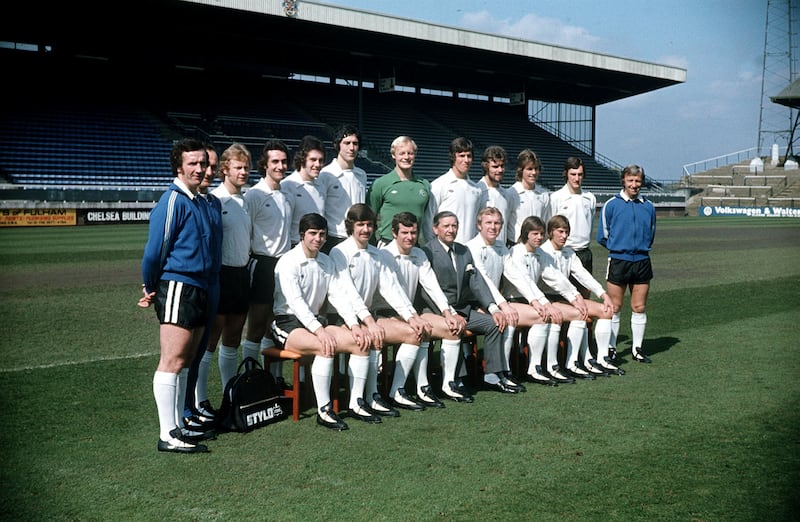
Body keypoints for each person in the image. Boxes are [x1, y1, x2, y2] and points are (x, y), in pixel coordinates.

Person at [139, 138, 214, 453]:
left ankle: (179, 426)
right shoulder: (173, 200)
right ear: (179, 167)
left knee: (185, 360)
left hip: (199, 287)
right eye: (192, 164)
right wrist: (150, 284)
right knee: (171, 360)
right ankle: (167, 434)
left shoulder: (197, 200)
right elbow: (154, 251)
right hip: (178, 286)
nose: (199, 169)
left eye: (202, 163)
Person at [271, 213, 375, 431]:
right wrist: (320, 331)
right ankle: (324, 410)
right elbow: (296, 303)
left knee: (361, 342)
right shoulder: (287, 262)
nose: (317, 239)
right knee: (324, 346)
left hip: (316, 322)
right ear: (302, 235)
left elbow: (338, 295)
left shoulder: (326, 261)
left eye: (322, 234)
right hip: (287, 322)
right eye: (312, 234)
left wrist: (355, 326)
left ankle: (356, 403)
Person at [329, 204, 431, 420]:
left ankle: (395, 392)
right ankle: (358, 401)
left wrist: (411, 317)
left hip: (368, 316)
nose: (365, 229)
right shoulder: (339, 252)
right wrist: (367, 321)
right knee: (370, 336)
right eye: (360, 225)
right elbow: (347, 293)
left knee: (414, 332)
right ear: (351, 226)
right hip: (342, 317)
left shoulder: (377, 253)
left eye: (369, 225)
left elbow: (392, 289)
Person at [420, 210, 520, 400]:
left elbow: (476, 283)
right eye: (446, 226)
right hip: (436, 311)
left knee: (493, 323)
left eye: (454, 226)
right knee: (456, 328)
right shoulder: (427, 252)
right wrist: (448, 312)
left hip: (463, 309)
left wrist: (493, 308)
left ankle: (492, 375)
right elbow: (427, 290)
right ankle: (457, 379)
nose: (451, 230)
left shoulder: (463, 250)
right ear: (435, 229)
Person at [378, 212, 466, 409]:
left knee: (452, 327)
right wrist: (412, 317)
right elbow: (392, 291)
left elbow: (431, 285)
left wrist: (447, 312)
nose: (410, 237)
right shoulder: (384, 255)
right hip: (385, 312)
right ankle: (398, 391)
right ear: (394, 233)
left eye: (414, 232)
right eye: (405, 232)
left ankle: (444, 385)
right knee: (418, 330)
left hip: (411, 311)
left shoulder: (418, 254)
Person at [193, 143, 254, 411]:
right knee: (210, 341)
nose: (243, 172)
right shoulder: (216, 200)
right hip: (221, 275)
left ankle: (231, 397)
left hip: (241, 275)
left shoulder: (245, 200)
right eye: (238, 167)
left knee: (232, 338)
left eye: (246, 167)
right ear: (225, 169)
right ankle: (200, 398)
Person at [539, 215, 620, 377]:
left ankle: (602, 358)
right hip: (548, 299)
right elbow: (558, 281)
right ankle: (572, 362)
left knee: (606, 310)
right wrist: (576, 298)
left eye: (567, 232)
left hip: (567, 297)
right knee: (580, 314)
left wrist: (603, 294)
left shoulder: (569, 252)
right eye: (560, 231)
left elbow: (583, 275)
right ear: (551, 232)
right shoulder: (543, 252)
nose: (564, 236)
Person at [241, 140, 294, 389]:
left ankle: (275, 378)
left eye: (283, 161)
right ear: (265, 164)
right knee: (257, 325)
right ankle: (250, 379)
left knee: (276, 325)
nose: (280, 166)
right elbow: (246, 233)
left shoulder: (286, 195)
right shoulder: (254, 195)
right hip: (262, 265)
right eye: (275, 161)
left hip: (284, 265)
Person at [596, 164, 657, 363]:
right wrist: (620, 248)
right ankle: (611, 348)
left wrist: (638, 248)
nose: (634, 184)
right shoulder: (611, 205)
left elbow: (651, 233)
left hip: (641, 261)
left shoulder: (648, 206)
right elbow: (602, 236)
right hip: (619, 261)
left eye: (637, 181)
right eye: (630, 180)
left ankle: (637, 349)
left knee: (639, 307)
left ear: (642, 182)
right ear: (623, 181)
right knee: (615, 306)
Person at [182, 142, 222, 432]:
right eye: (203, 165)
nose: (208, 171)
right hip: (190, 285)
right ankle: (184, 410)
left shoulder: (213, 202)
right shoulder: (186, 201)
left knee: (199, 351)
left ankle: (192, 406)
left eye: (212, 166)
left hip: (213, 284)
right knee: (185, 353)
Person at [367, 136, 432, 246]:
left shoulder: (424, 185)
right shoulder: (381, 184)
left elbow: (427, 216)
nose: (406, 157)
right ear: (393, 155)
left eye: (410, 153)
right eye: (402, 153)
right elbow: (369, 216)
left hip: (413, 244)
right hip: (388, 244)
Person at [549, 156, 596, 297]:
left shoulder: (590, 198)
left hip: (584, 253)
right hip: (563, 253)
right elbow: (550, 225)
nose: (577, 178)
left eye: (580, 174)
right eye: (573, 174)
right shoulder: (556, 197)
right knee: (562, 298)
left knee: (584, 298)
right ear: (566, 174)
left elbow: (590, 223)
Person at [427, 136, 486, 244]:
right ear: (453, 157)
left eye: (469, 156)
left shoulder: (477, 189)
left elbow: (478, 222)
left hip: (469, 250)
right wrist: (433, 249)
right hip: (444, 249)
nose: (466, 160)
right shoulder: (439, 185)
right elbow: (428, 220)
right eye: (461, 156)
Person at [319, 125, 367, 254]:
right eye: (346, 143)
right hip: (334, 238)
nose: (351, 148)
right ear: (337, 145)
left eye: (355, 143)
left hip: (357, 237)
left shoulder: (361, 175)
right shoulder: (325, 174)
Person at [283, 135, 326, 247]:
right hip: (294, 247)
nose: (317, 164)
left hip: (316, 248)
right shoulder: (287, 186)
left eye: (320, 160)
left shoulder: (321, 187)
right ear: (302, 159)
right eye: (313, 160)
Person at [507, 149, 551, 248]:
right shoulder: (511, 194)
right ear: (521, 170)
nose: (534, 172)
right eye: (529, 169)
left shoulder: (544, 194)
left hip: (538, 247)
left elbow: (546, 222)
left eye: (536, 168)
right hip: (516, 246)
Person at [477, 145, 514, 246]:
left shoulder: (506, 195)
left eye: (502, 166)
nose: (500, 170)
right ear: (486, 166)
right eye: (495, 167)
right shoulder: (477, 192)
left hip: (501, 250)